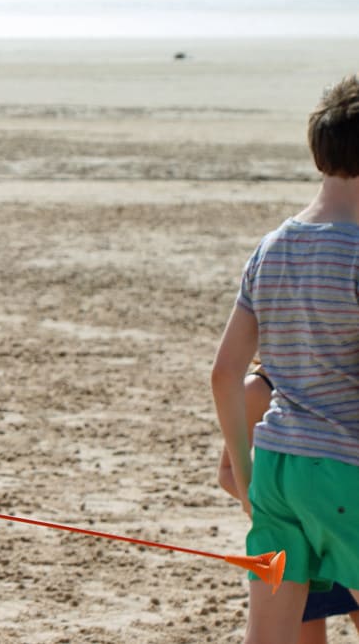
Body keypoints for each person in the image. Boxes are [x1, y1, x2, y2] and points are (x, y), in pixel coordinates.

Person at [210, 72, 359, 644]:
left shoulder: (273, 245)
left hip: (275, 468)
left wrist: (247, 482)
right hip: (348, 468)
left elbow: (225, 372)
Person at [216, 364, 359, 644]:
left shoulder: (341, 378)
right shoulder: (258, 389)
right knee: (301, 633)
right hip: (294, 540)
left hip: (342, 526)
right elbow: (227, 471)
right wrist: (263, 507)